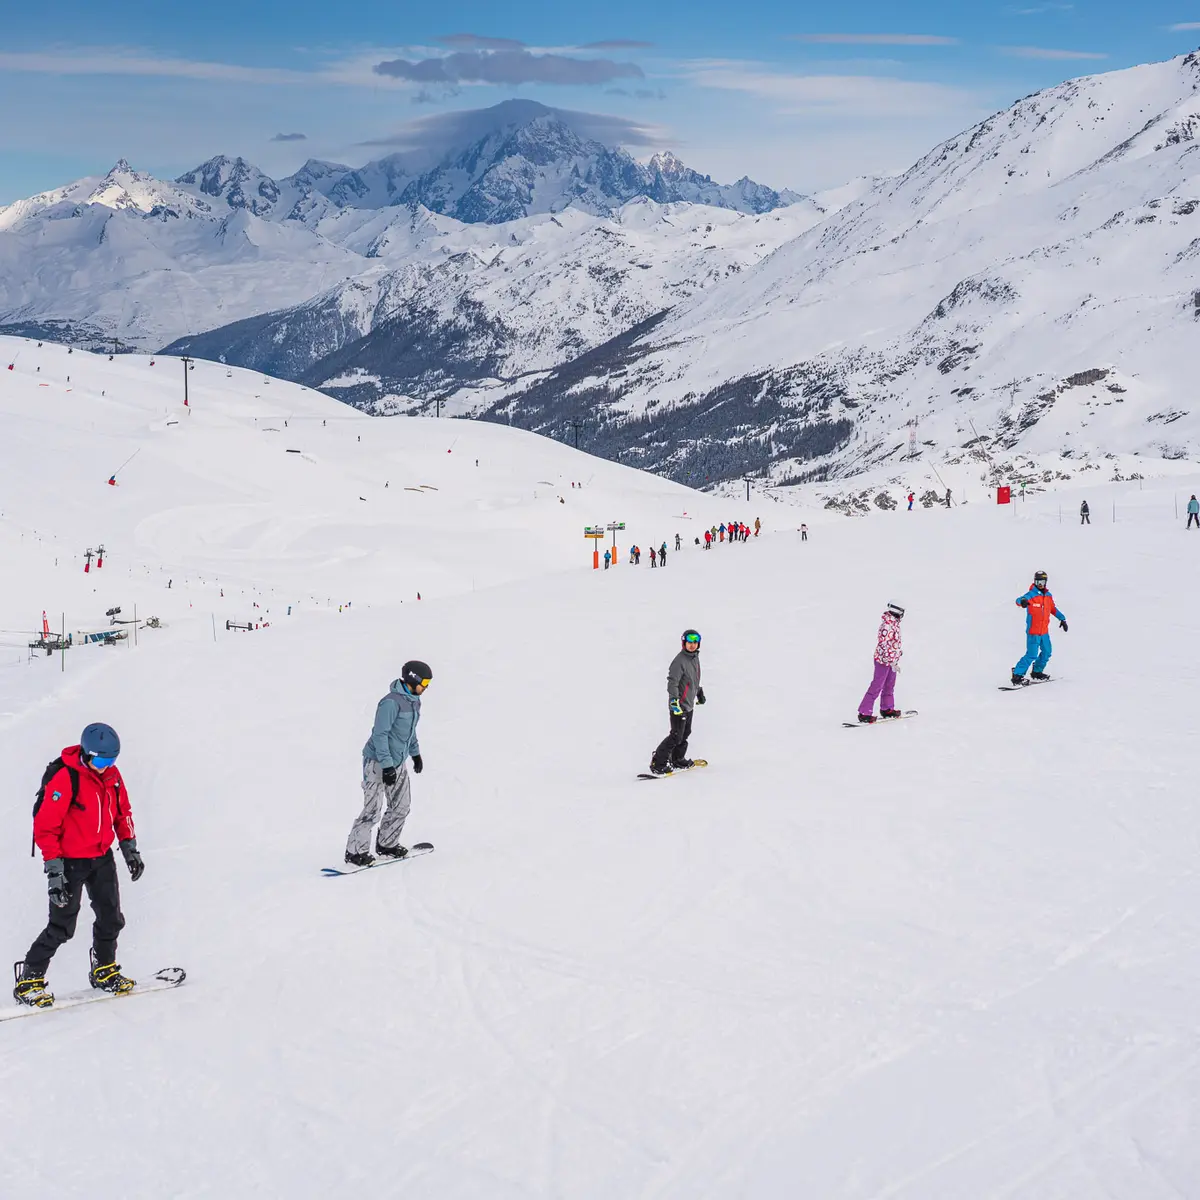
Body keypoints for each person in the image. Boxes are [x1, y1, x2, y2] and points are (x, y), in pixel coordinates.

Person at [13, 723, 144, 1008]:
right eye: (100, 760)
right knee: (62, 926)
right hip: (70, 862)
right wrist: (54, 871)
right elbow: (45, 827)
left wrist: (129, 848)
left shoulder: (112, 776)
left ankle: (104, 969)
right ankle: (29, 979)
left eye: (111, 761)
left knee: (111, 918)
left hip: (101, 858)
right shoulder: (66, 777)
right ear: (86, 754)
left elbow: (122, 813)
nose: (105, 766)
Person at [345, 661, 431, 866]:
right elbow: (380, 735)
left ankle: (387, 845)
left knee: (401, 806)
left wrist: (415, 753)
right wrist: (386, 765)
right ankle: (355, 852)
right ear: (413, 679)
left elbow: (409, 731)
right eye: (425, 682)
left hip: (397, 761)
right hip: (377, 761)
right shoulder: (390, 703)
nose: (426, 687)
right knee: (372, 810)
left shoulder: (414, 701)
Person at [649, 630, 705, 774]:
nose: (692, 645)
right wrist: (674, 702)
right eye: (689, 642)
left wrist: (698, 691)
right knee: (676, 735)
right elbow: (672, 683)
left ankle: (677, 759)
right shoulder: (679, 661)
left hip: (688, 704)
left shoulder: (694, 659)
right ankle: (658, 763)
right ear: (684, 643)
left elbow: (692, 680)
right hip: (679, 705)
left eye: (695, 642)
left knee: (685, 733)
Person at [1011, 571, 1067, 685]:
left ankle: (1037, 671)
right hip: (1033, 632)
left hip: (1044, 632)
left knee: (1047, 652)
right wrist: (1022, 602)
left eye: (1042, 581)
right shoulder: (1031, 595)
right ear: (1034, 581)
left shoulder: (1048, 596)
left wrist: (1062, 619)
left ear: (1045, 582)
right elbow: (1019, 600)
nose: (1040, 584)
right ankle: (1017, 675)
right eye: (1038, 581)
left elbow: (1053, 609)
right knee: (1032, 654)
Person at [858, 602, 905, 723]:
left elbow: (893, 643)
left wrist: (896, 656)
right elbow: (883, 644)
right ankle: (864, 712)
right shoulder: (887, 625)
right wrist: (890, 660)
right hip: (883, 661)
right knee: (877, 685)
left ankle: (887, 708)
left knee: (889, 684)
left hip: (891, 661)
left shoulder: (894, 623)